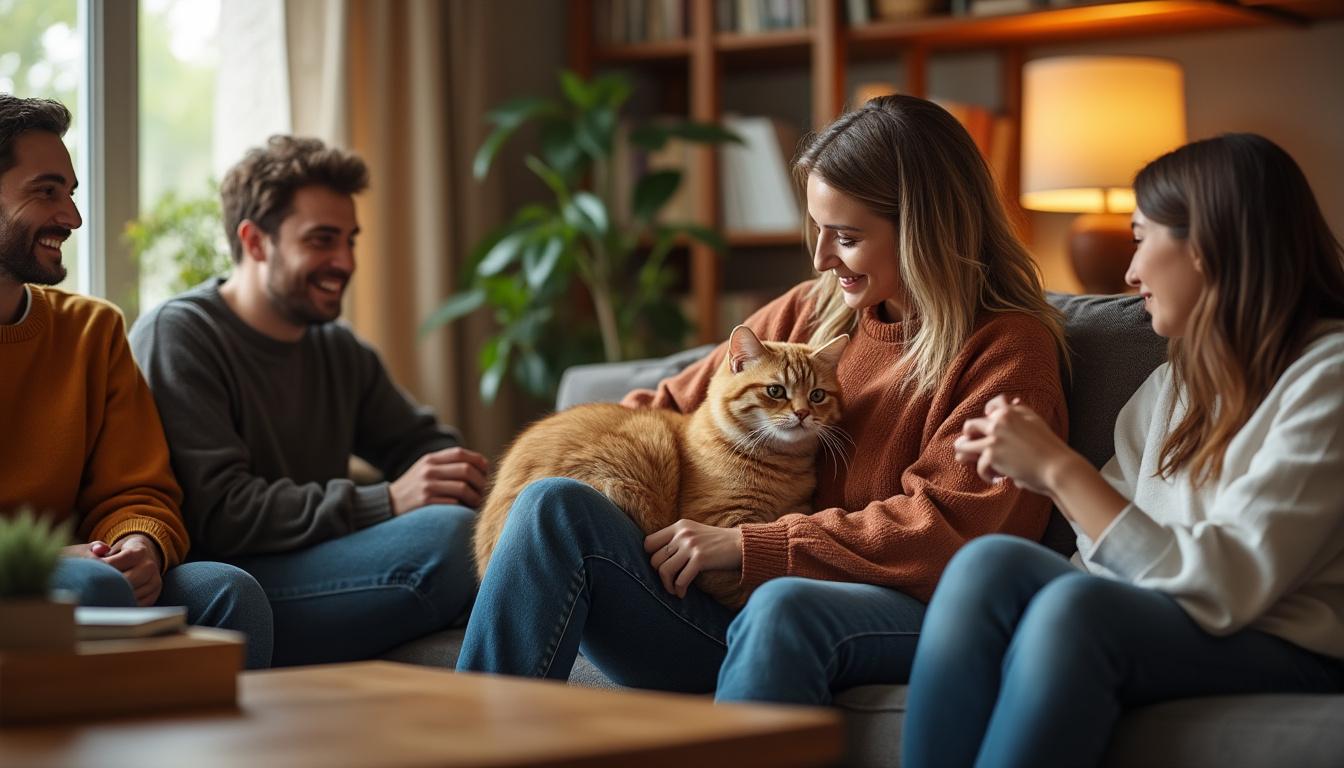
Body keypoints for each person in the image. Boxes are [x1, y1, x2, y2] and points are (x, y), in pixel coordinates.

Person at [457, 94, 1068, 700]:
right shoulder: (816, 307)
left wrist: (752, 545)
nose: (823, 258)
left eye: (847, 237)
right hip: (741, 597)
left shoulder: (1006, 351)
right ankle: (471, 737)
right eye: (818, 229)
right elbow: (668, 404)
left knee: (783, 603)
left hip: (900, 610)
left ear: (925, 230)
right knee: (551, 506)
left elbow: (946, 532)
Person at [902, 133, 1344, 768]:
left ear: (1210, 245)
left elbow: (1228, 586)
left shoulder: (1326, 378)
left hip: (1281, 642)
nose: (1131, 271)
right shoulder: (1174, 383)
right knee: (988, 566)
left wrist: (1057, 469)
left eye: (1142, 237)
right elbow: (1106, 555)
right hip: (1176, 618)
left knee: (1075, 609)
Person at [129, 135, 485, 666]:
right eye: (321, 240)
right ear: (254, 242)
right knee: (452, 539)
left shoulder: (337, 349)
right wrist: (387, 501)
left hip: (315, 559)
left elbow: (421, 442)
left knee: (487, 528)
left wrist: (460, 479)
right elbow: (221, 513)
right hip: (227, 572)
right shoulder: (181, 334)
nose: (344, 261)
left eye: (350, 240)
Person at [0, 94, 272, 668]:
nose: (71, 217)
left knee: (229, 592)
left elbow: (137, 490)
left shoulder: (91, 330)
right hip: (43, 578)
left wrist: (139, 543)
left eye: (71, 193)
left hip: (88, 573)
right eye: (46, 191)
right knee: (95, 590)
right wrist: (48, 561)